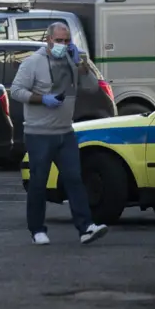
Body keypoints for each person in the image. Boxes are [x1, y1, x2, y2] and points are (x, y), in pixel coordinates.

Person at [9, 22, 109, 246]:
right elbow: (16, 91)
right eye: (59, 41)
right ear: (48, 40)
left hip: (65, 132)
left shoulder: (72, 62)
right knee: (38, 182)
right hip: (39, 133)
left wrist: (80, 64)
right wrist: (42, 99)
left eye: (67, 41)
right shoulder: (33, 63)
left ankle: (86, 227)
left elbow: (92, 86)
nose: (63, 45)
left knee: (74, 179)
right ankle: (37, 229)